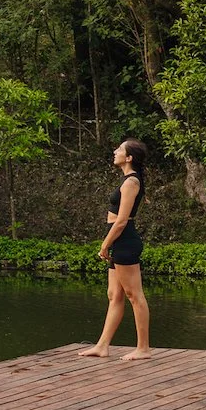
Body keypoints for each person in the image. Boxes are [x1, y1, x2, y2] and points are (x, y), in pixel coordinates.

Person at [78, 138, 151, 361]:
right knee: (114, 294)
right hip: (118, 239)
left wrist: (105, 244)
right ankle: (102, 346)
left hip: (124, 240)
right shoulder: (127, 180)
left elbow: (121, 221)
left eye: (120, 149)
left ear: (129, 158)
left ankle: (143, 348)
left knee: (134, 295)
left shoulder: (132, 182)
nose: (115, 151)